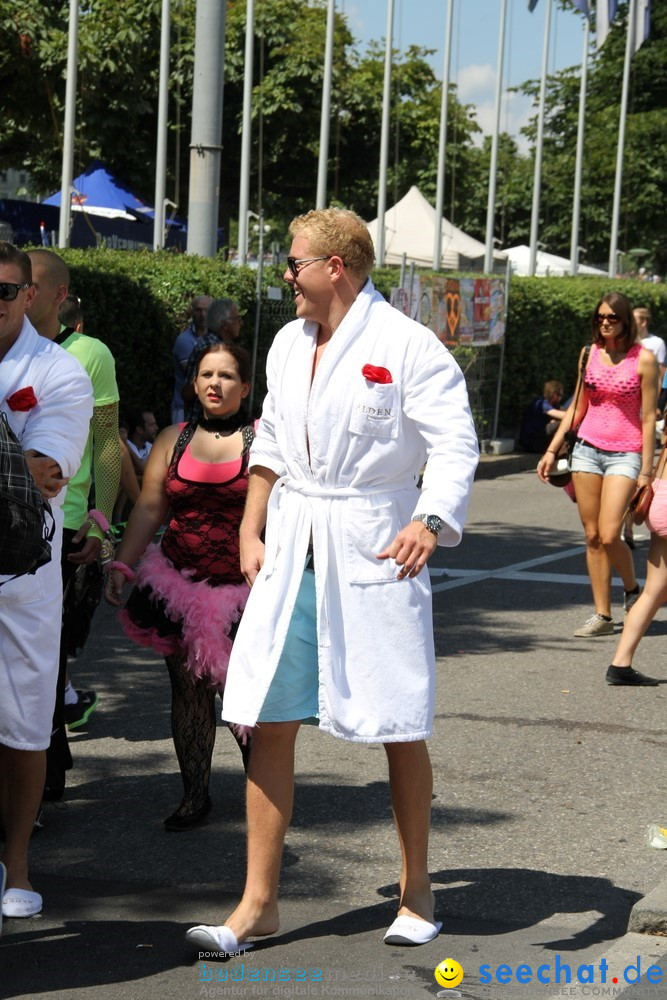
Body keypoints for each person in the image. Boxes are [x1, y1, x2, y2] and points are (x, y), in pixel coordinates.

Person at [186, 207, 478, 955]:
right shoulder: (287, 343)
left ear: (334, 268)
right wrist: (252, 524)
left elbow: (453, 443)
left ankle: (416, 889)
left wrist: (429, 519)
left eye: (294, 264)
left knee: (397, 721)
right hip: (294, 546)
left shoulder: (407, 345)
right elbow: (275, 439)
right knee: (264, 717)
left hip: (373, 545)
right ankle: (258, 904)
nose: (287, 275)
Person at [105, 342, 255, 830]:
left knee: (248, 697)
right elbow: (150, 508)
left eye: (227, 375)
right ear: (194, 384)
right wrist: (122, 567)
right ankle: (195, 795)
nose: (215, 383)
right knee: (188, 691)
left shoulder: (263, 439)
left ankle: (266, 796)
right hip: (178, 588)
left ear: (245, 387)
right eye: (207, 374)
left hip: (245, 593)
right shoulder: (173, 438)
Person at [0, 241, 92, 918]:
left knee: (25, 727)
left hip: (21, 572)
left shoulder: (59, 372)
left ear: (27, 296)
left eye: (4, 291)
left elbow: (43, 474)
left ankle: (19, 867)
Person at [27, 249, 121, 797]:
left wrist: (101, 520)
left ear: (59, 295)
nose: (20, 295)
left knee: (50, 649)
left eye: (31, 286)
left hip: (63, 522)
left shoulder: (89, 354)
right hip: (8, 514)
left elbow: (108, 444)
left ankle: (46, 770)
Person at [537, 292, 658, 638]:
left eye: (613, 317)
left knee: (609, 534)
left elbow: (648, 417)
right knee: (591, 536)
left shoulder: (643, 359)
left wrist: (646, 472)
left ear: (625, 322)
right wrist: (552, 449)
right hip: (587, 449)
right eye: (601, 317)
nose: (605, 322)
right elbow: (578, 408)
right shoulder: (589, 354)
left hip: (626, 453)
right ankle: (603, 615)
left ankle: (633, 588)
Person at [180, 299, 242, 417]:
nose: (240, 323)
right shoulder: (210, 347)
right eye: (237, 319)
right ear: (225, 323)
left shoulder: (223, 346)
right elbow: (188, 391)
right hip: (202, 423)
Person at [171, 295, 212, 423]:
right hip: (183, 409)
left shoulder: (213, 338)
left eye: (206, 310)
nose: (202, 314)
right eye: (198, 310)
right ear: (192, 312)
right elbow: (196, 373)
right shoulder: (185, 340)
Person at [518, 379, 568, 453]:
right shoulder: (542, 403)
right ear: (554, 395)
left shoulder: (550, 404)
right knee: (561, 423)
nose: (561, 398)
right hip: (531, 442)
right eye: (560, 395)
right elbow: (560, 415)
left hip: (537, 439)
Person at [125, 408, 158, 477]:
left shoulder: (152, 447)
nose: (156, 428)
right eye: (152, 425)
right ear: (139, 429)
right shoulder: (124, 449)